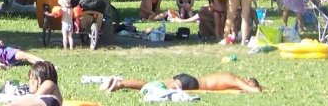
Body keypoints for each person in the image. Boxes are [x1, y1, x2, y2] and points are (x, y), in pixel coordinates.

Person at [102, 72, 262, 93]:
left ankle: (120, 82)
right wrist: (259, 89)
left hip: (189, 79)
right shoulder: (234, 79)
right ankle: (120, 84)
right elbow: (252, 90)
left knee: (152, 83)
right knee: (151, 86)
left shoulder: (230, 77)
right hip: (192, 84)